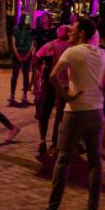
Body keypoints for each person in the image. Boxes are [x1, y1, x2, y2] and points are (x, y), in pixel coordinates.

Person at [45, 18, 105, 210]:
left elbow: (52, 76)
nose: (69, 33)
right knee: (95, 161)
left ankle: (53, 206)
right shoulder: (103, 54)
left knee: (63, 160)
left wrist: (66, 95)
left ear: (82, 34)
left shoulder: (71, 52)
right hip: (96, 112)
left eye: (73, 30)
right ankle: (93, 207)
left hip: (75, 111)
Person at [34, 25, 71, 156]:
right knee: (58, 114)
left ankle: (44, 141)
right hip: (61, 84)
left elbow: (36, 58)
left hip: (52, 82)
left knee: (46, 112)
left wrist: (41, 70)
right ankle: (54, 143)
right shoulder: (71, 46)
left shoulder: (51, 45)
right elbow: (37, 58)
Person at [9, 15, 35, 104]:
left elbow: (32, 43)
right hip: (17, 54)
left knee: (26, 75)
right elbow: (13, 42)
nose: (28, 20)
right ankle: (12, 95)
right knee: (15, 75)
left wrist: (28, 54)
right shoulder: (16, 29)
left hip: (26, 54)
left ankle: (24, 95)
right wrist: (17, 55)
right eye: (27, 18)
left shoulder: (31, 30)